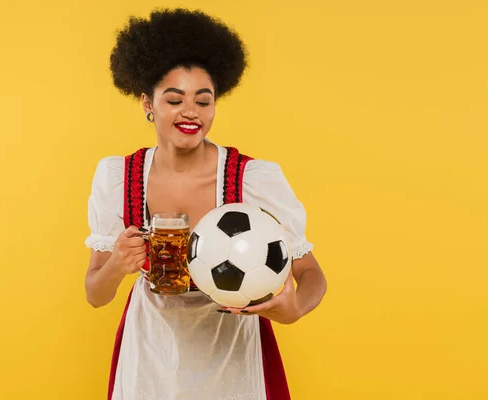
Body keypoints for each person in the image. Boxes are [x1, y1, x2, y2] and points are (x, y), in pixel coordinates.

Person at [84, 8, 327, 400]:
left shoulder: (252, 178)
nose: (191, 112)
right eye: (174, 99)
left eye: (203, 100)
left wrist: (295, 307)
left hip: (232, 349)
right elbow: (95, 294)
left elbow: (312, 272)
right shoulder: (119, 177)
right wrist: (115, 264)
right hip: (150, 348)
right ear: (148, 103)